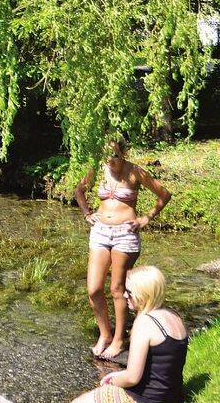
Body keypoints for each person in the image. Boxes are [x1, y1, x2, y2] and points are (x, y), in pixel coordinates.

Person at [42, 265, 188, 403]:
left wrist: (112, 382)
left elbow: (133, 377)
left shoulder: (145, 323)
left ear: (144, 293)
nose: (125, 295)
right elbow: (159, 365)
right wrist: (117, 374)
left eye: (130, 292)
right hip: (172, 397)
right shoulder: (173, 316)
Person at [73, 137, 172, 359]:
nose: (111, 160)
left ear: (124, 153)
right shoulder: (98, 169)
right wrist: (87, 213)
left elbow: (164, 195)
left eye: (115, 155)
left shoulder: (136, 172)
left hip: (124, 235)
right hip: (100, 232)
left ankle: (119, 340)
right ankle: (105, 334)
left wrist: (146, 218)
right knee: (93, 288)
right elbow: (78, 191)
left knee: (117, 289)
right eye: (107, 155)